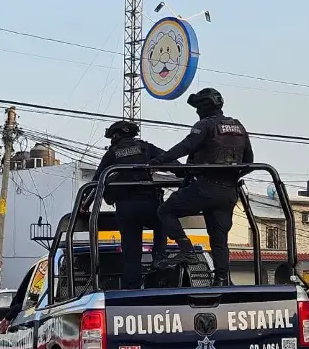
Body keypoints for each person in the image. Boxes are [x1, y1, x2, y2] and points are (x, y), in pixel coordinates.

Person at [150, 88, 253, 286]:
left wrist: (158, 161)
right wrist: (231, 176)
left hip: (207, 187)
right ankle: (222, 280)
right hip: (229, 191)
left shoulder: (205, 125)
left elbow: (185, 147)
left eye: (197, 107)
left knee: (165, 211)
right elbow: (249, 160)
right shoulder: (238, 127)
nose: (196, 112)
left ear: (203, 107)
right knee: (219, 240)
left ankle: (187, 250)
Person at [94, 120, 168, 289]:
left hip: (127, 208)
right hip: (151, 204)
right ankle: (159, 258)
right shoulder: (145, 148)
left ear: (115, 136)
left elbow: (97, 179)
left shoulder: (112, 154)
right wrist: (189, 175)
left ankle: (131, 289)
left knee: (132, 254)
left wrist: (85, 204)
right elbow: (171, 161)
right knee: (163, 219)